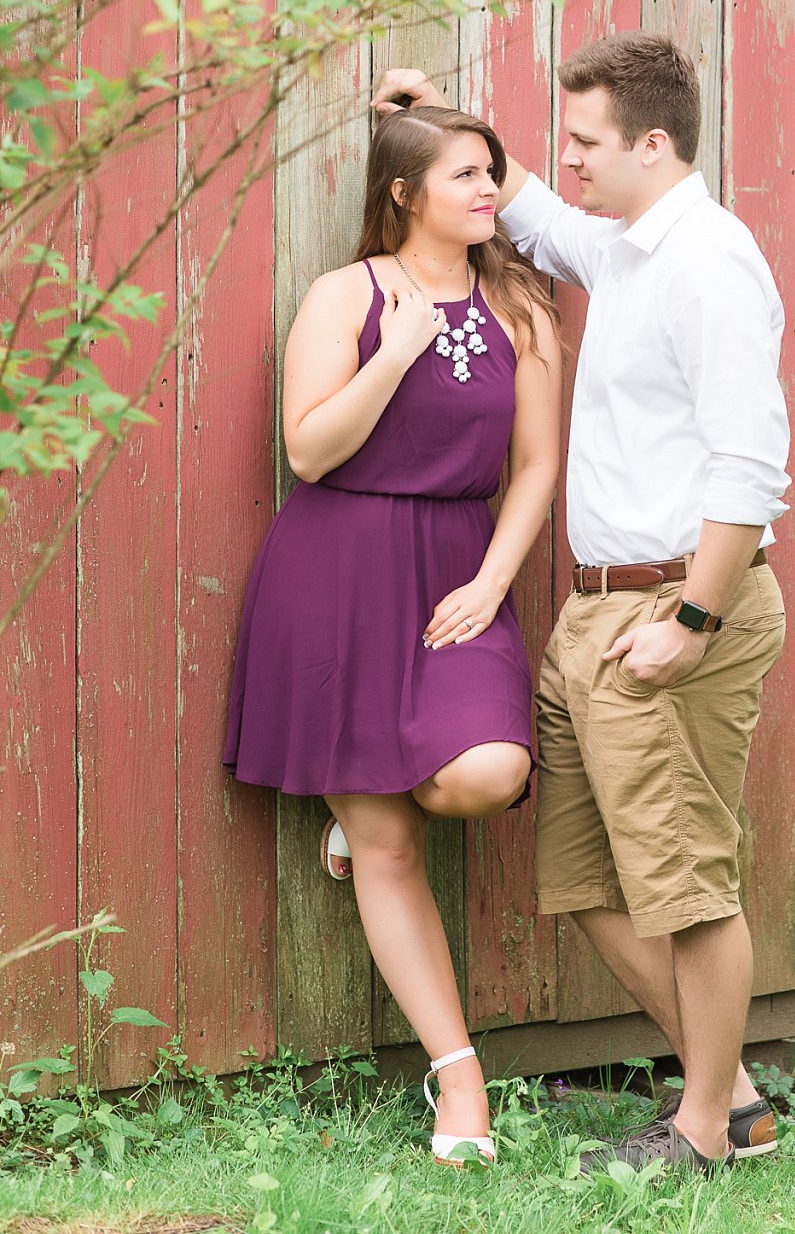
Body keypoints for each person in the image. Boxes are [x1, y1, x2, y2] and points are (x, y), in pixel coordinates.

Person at [374, 33, 790, 1175]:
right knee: (587, 880)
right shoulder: (628, 248)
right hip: (599, 616)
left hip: (675, 607)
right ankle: (734, 1098)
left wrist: (691, 623)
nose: (568, 158)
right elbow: (543, 218)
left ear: (652, 145)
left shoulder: (708, 261)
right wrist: (443, 119)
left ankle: (702, 1132)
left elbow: (749, 464)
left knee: (686, 882)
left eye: (585, 141)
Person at [225, 105, 562, 1167]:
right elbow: (309, 451)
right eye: (465, 173)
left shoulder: (521, 306)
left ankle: (371, 798)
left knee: (486, 773)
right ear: (404, 194)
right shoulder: (347, 296)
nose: (489, 189)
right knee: (389, 846)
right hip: (335, 575)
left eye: (491, 172)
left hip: (456, 576)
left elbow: (536, 465)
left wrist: (493, 580)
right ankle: (459, 1083)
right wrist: (395, 353)